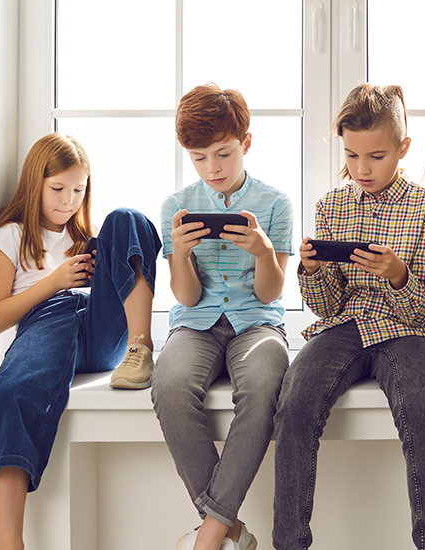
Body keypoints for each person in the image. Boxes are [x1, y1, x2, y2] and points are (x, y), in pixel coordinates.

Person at [272, 83, 425, 550]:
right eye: (352, 156)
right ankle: (289, 542)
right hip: (344, 325)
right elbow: (327, 307)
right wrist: (311, 272)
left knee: (422, 409)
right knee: (294, 402)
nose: (362, 168)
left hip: (408, 329)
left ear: (402, 148)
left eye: (375, 156)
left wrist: (396, 274)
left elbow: (422, 304)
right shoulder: (331, 205)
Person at [0, 133, 161, 549]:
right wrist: (52, 283)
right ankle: (9, 541)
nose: (68, 201)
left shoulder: (92, 234)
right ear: (34, 184)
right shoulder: (10, 236)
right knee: (8, 392)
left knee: (127, 218)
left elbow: (120, 276)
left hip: (101, 329)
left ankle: (142, 346)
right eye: (58, 189)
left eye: (78, 191)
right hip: (45, 321)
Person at [151, 83, 293, 550]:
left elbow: (271, 292)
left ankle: (210, 534)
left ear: (246, 143)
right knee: (168, 386)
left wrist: (264, 251)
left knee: (264, 386)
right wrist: (181, 255)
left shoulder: (275, 204)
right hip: (195, 323)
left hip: (257, 321)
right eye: (199, 157)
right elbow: (187, 298)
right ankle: (230, 529)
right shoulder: (176, 206)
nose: (212, 167)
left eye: (223, 153)